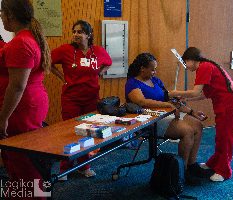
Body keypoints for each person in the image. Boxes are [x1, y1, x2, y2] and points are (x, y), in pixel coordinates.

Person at [125, 53, 209, 180]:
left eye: (155, 69)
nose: (155, 72)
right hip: (150, 119)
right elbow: (141, 101)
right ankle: (182, 172)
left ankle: (191, 165)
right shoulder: (132, 83)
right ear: (142, 68)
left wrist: (192, 112)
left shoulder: (156, 81)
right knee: (187, 131)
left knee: (197, 125)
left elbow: (171, 100)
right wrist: (167, 104)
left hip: (167, 114)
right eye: (152, 69)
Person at [169, 47, 233, 182]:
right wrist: (186, 98)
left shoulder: (204, 67)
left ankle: (224, 171)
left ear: (191, 60)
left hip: (229, 105)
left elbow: (195, 92)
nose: (186, 67)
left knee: (226, 138)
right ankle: (214, 163)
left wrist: (175, 93)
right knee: (221, 137)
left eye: (185, 63)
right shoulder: (206, 66)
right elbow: (204, 94)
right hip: (226, 105)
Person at [0, 0, 51, 198]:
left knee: (21, 159)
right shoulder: (28, 38)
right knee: (24, 158)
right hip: (29, 103)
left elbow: (17, 86)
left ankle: (31, 195)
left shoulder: (21, 42)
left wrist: (2, 118)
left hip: (20, 108)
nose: (1, 18)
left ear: (10, 15)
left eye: (2, 13)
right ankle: (27, 193)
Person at [51, 20, 112, 180]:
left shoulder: (97, 51)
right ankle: (65, 168)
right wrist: (61, 77)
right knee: (70, 132)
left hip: (91, 98)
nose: (76, 35)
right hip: (71, 98)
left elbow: (109, 62)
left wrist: (100, 72)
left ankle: (84, 166)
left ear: (89, 34)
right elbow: (47, 61)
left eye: (80, 32)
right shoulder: (66, 50)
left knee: (88, 132)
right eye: (74, 31)